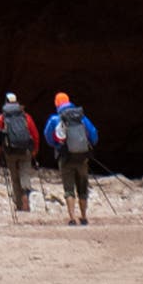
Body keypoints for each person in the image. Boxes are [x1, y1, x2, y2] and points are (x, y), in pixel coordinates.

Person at [48, 92, 101, 226]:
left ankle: (72, 218)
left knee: (69, 188)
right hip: (82, 157)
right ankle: (84, 216)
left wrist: (58, 147)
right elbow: (93, 134)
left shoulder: (55, 119)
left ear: (56, 104)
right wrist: (86, 146)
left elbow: (48, 137)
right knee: (83, 187)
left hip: (65, 158)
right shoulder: (81, 117)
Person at [0, 92, 40, 218]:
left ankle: (19, 204)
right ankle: (25, 196)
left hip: (10, 151)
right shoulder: (26, 117)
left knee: (15, 177)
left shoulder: (2, 118)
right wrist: (34, 150)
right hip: (25, 150)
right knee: (25, 174)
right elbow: (35, 134)